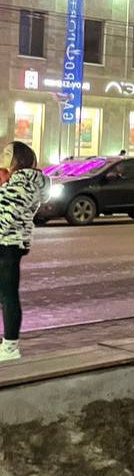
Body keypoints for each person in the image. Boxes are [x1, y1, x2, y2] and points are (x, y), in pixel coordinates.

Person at [0, 141, 49, 362]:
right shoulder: (13, 181)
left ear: (18, 159)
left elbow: (6, 217)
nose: (3, 155)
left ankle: (10, 347)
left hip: (8, 245)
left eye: (7, 153)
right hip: (7, 243)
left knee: (8, 295)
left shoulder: (23, 184)